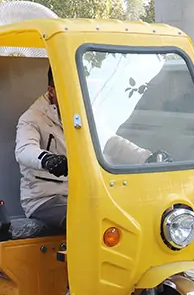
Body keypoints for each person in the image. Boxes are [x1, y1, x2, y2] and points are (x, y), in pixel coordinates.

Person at [14, 65, 156, 230]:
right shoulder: (32, 118)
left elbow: (110, 142)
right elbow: (24, 150)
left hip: (83, 196)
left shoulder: (83, 112)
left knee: (133, 212)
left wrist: (146, 158)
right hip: (45, 199)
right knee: (89, 221)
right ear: (51, 91)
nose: (75, 96)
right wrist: (47, 160)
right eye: (67, 90)